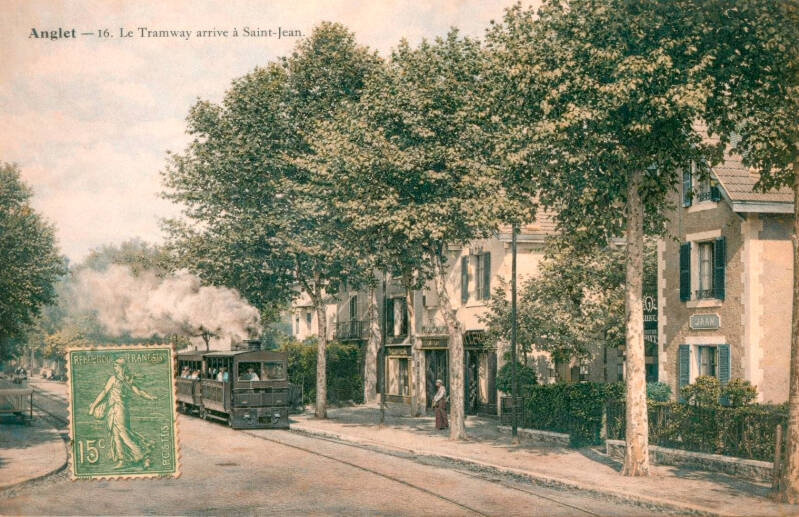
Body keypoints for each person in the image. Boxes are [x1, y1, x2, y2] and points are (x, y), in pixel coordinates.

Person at [88, 358, 156, 469]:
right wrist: (94, 406)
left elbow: (138, 392)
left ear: (121, 367)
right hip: (112, 410)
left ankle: (143, 456)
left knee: (124, 434)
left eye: (116, 366)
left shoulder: (123, 380)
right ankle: (122, 460)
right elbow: (104, 393)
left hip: (120, 410)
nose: (114, 368)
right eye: (114, 365)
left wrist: (149, 397)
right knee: (116, 436)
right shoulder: (117, 379)